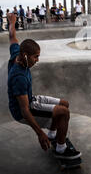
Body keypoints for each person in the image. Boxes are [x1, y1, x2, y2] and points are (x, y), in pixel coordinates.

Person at [6, 13, 81, 159]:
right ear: (26, 55)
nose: (37, 60)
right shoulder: (19, 77)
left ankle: (53, 134)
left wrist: (12, 22)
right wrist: (40, 134)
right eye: (36, 57)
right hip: (23, 110)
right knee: (64, 112)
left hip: (31, 99)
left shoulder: (16, 53)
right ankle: (61, 149)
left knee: (64, 104)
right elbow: (25, 110)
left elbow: (12, 37)